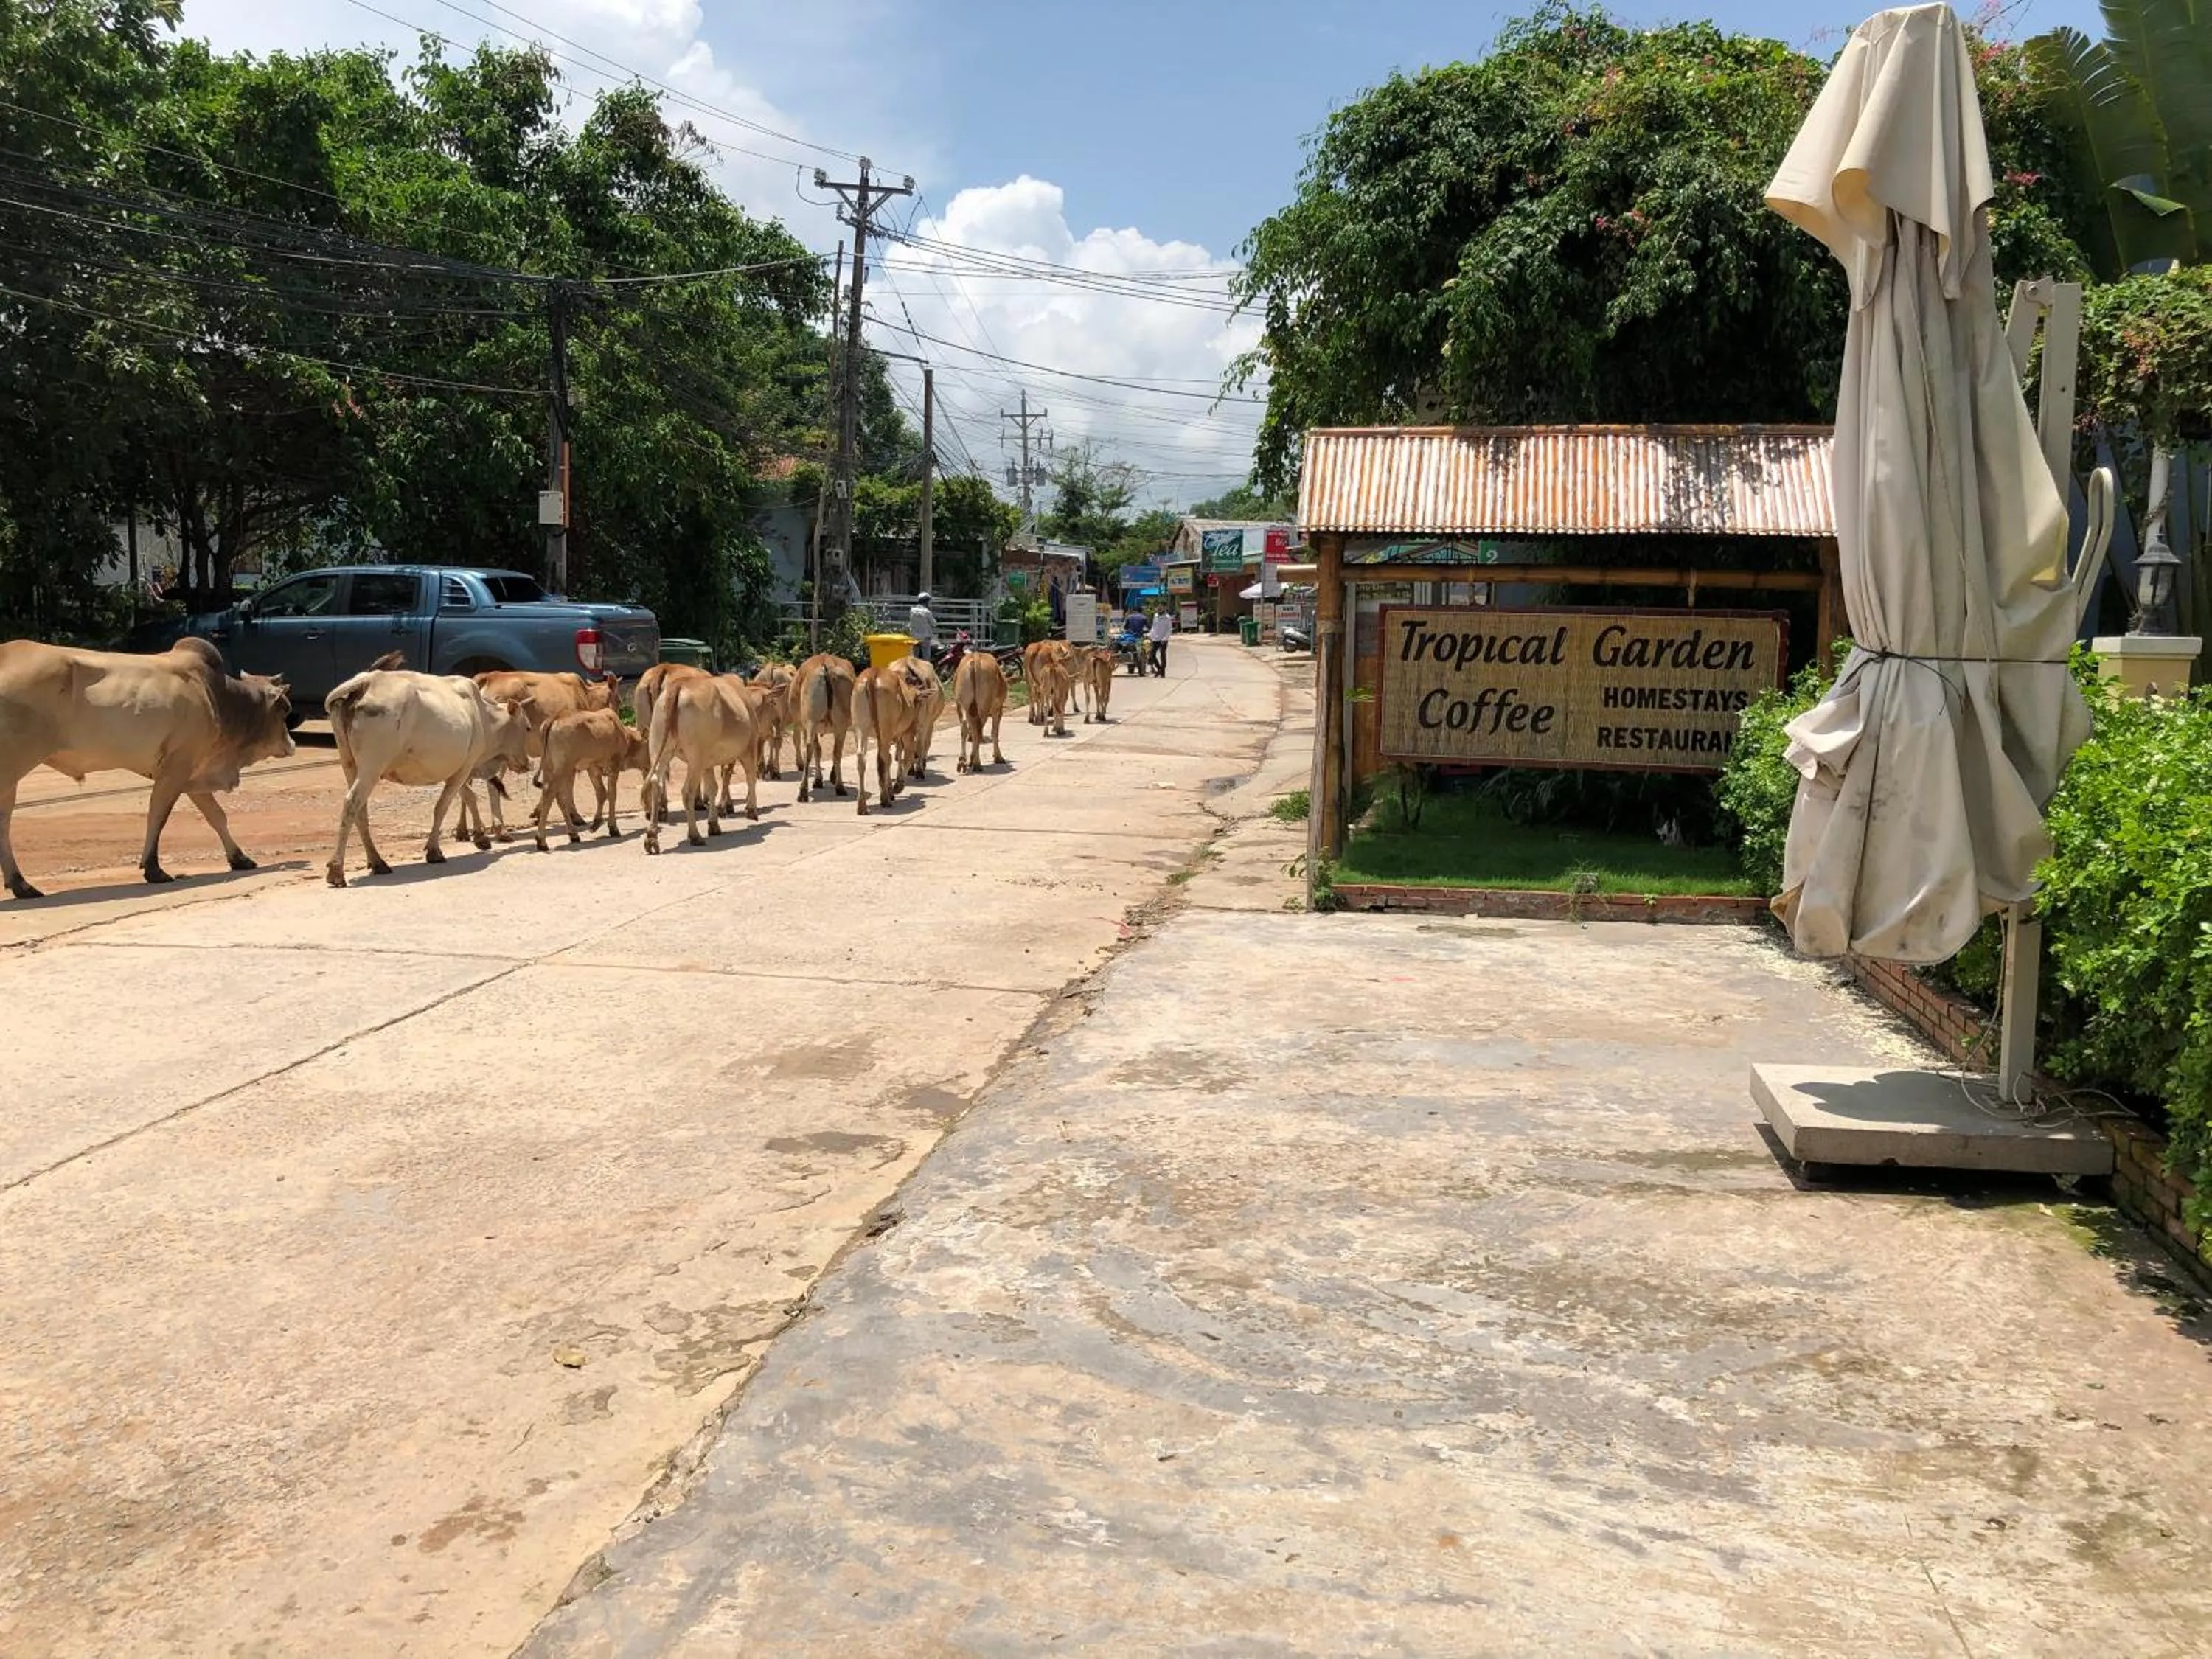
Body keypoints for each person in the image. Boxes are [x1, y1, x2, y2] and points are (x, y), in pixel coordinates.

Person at [907, 591, 938, 661]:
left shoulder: (912, 611)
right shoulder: (927, 612)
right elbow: (934, 624)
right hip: (925, 638)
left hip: (915, 638)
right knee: (926, 659)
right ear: (926, 602)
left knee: (915, 659)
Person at [1148, 605, 1173, 677]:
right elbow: (1154, 627)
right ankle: (1159, 669)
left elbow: (1169, 629)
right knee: (1152, 654)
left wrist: (1165, 638)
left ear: (1164, 608)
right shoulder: (1155, 616)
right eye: (1158, 608)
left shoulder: (1167, 618)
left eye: (1161, 608)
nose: (1159, 609)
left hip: (1163, 639)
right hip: (1156, 638)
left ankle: (1162, 672)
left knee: (1162, 655)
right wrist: (1150, 635)